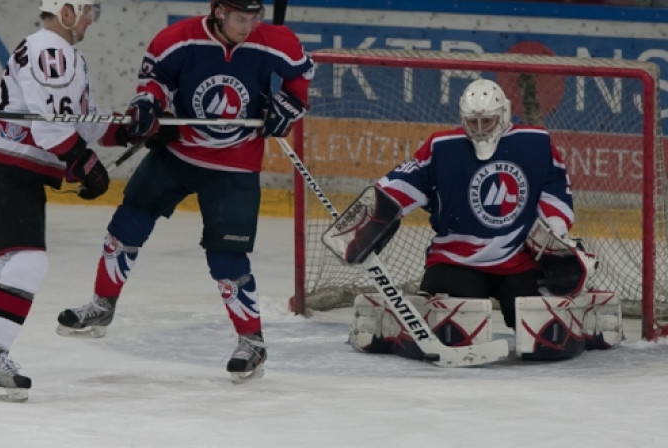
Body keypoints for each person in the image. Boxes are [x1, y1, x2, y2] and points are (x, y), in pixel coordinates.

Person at [55, 0, 314, 383]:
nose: (249, 26)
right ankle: (102, 305)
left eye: (255, 18)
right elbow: (154, 81)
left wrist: (289, 106)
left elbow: (301, 76)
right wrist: (148, 105)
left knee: (227, 260)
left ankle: (252, 342)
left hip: (234, 164)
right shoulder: (176, 39)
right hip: (176, 153)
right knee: (126, 227)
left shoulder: (276, 41)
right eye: (241, 18)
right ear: (219, 13)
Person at [341, 78, 616, 360]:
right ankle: (390, 320)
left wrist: (555, 231)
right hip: (455, 261)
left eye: (489, 121)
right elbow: (399, 186)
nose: (481, 129)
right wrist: (364, 222)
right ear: (463, 118)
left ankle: (589, 311)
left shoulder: (535, 142)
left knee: (546, 342)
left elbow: (555, 188)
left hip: (520, 263)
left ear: (504, 114)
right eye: (474, 122)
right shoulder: (442, 147)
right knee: (456, 333)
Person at [0, 0, 128, 402]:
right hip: (5, 173)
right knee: (28, 261)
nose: (91, 20)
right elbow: (50, 130)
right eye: (87, 11)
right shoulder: (51, 50)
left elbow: (81, 122)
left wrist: (131, 130)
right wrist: (82, 162)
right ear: (65, 12)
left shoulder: (58, 52)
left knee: (9, 262)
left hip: (9, 173)